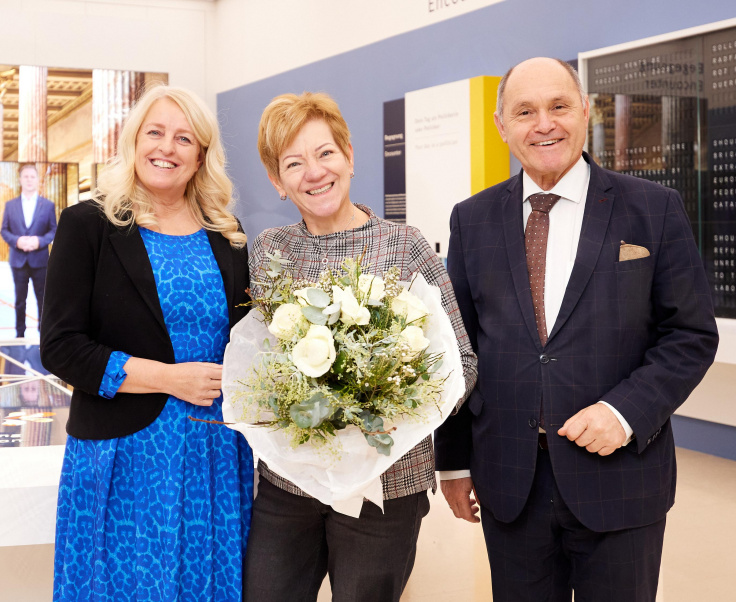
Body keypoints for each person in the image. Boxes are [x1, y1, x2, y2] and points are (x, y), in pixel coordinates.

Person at [435, 57, 719, 601]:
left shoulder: (653, 210)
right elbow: (456, 350)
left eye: (559, 106)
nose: (544, 124)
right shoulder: (471, 220)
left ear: (585, 112)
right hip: (509, 481)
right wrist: (453, 462)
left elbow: (690, 334)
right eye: (525, 111)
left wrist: (624, 413)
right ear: (502, 126)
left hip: (620, 478)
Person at [244, 91, 478, 602]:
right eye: (293, 162)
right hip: (292, 481)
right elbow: (258, 361)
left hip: (387, 485)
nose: (314, 172)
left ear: (349, 155)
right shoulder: (270, 251)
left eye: (325, 153)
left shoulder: (405, 245)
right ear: (276, 181)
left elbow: (462, 360)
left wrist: (398, 404)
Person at [40, 85, 254, 601]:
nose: (168, 147)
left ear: (201, 154)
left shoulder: (226, 234)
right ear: (133, 140)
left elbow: (246, 342)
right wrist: (167, 378)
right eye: (155, 132)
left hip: (214, 451)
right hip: (125, 450)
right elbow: (62, 346)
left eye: (184, 138)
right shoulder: (88, 224)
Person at [0, 163, 57, 337]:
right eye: (26, 176)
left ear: (38, 180)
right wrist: (17, 241)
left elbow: (53, 230)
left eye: (32, 176)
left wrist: (38, 241)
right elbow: (4, 230)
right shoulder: (11, 205)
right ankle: (19, 333)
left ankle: (43, 333)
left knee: (43, 298)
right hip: (18, 260)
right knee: (19, 300)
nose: (29, 180)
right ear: (20, 180)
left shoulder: (47, 205)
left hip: (40, 260)